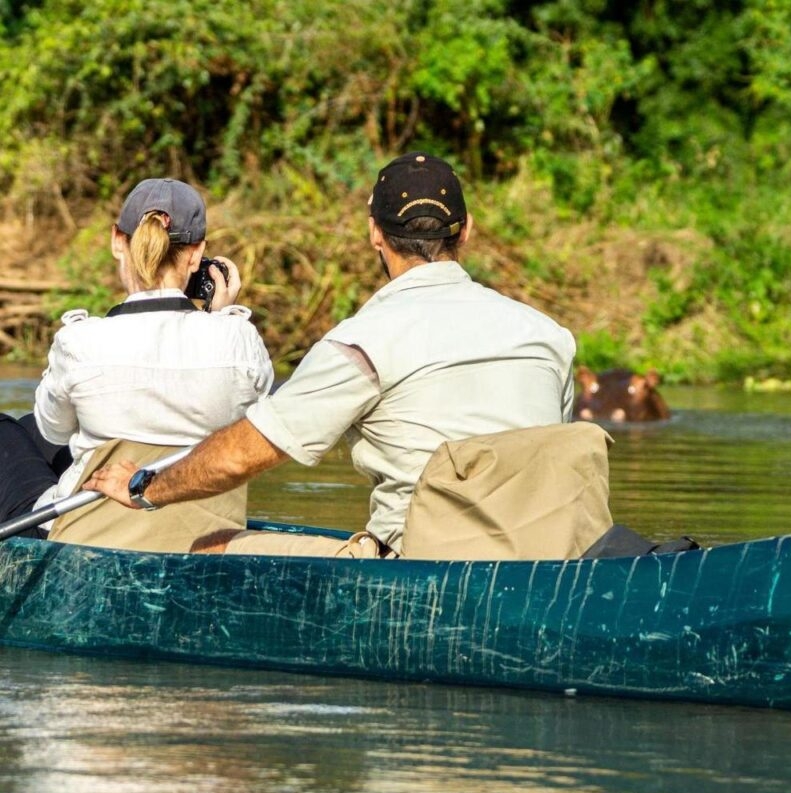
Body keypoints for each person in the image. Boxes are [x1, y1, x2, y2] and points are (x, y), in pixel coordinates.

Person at [84, 153, 576, 557]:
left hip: (421, 570)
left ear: (374, 234)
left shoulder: (363, 341)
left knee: (209, 547)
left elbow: (239, 456)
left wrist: (145, 487)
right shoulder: (549, 335)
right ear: (465, 230)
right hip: (549, 558)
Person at [0, 177, 274, 550]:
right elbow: (255, 425)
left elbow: (52, 431)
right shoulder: (241, 341)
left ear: (118, 241)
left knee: (11, 432)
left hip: (87, 532)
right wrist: (220, 317)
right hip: (202, 535)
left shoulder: (79, 342)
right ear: (196, 254)